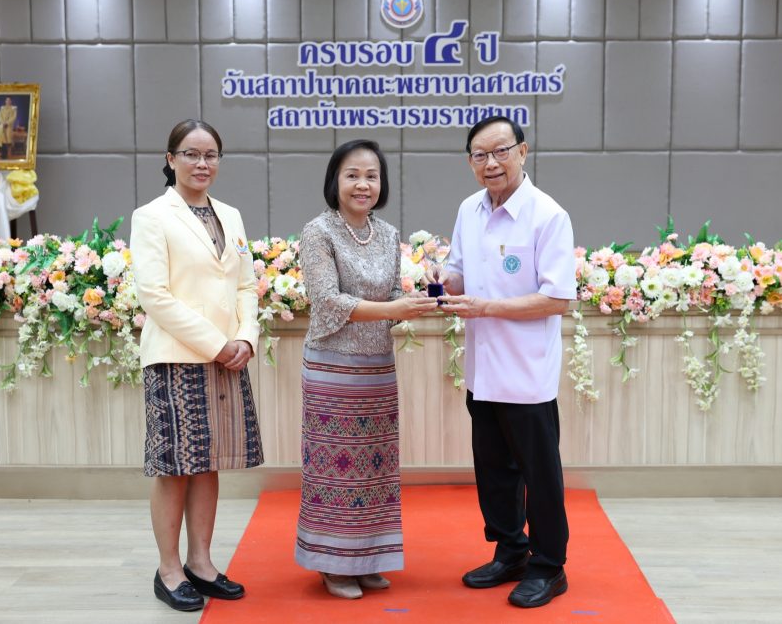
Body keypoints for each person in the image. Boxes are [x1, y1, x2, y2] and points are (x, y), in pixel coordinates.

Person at [430, 115, 576, 609]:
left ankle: (549, 565)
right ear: (469, 161)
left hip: (527, 371)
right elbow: (458, 272)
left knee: (539, 474)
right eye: (479, 155)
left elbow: (557, 298)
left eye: (500, 151)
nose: (491, 163)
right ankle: (511, 549)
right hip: (483, 367)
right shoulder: (469, 209)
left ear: (522, 152)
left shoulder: (548, 215)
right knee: (493, 468)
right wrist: (441, 283)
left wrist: (486, 306)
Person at [295, 139, 437, 599]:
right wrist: (394, 307)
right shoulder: (318, 231)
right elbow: (327, 301)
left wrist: (416, 303)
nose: (363, 184)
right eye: (352, 175)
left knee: (375, 469)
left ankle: (368, 559)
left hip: (378, 369)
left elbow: (391, 298)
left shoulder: (387, 233)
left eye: (371, 176)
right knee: (334, 470)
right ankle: (333, 564)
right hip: (332, 368)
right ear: (335, 180)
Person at [130, 119, 263, 612]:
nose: (202, 163)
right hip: (176, 357)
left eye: (210, 155)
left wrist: (245, 337)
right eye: (191, 154)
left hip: (227, 356)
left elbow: (246, 285)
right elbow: (155, 295)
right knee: (175, 468)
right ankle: (168, 570)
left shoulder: (230, 214)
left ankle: (201, 563)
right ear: (171, 159)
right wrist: (216, 344)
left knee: (208, 464)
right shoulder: (152, 216)